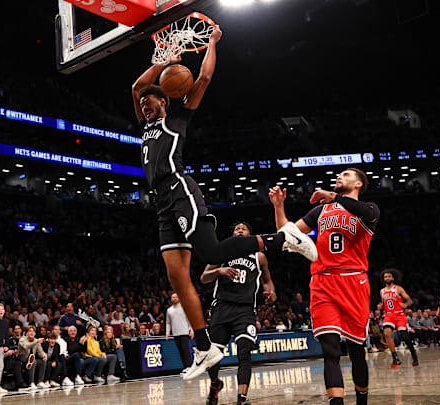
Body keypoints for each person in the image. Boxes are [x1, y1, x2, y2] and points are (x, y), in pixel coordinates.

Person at [131, 25, 317, 381]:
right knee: (176, 274)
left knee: (213, 252)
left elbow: (203, 77)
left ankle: (282, 239)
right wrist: (161, 64)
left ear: (165, 102)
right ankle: (205, 346)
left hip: (180, 190)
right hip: (161, 204)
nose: (144, 104)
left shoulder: (178, 119)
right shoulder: (144, 124)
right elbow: (137, 86)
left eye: (151, 102)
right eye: (143, 104)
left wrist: (212, 43)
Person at [269, 167, 379, 405]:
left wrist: (333, 196)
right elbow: (288, 234)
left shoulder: (367, 211)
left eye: (347, 175)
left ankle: (362, 400)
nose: (340, 177)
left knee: (357, 351)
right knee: (330, 351)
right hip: (322, 282)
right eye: (339, 175)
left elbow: (367, 211)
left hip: (354, 281)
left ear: (358, 184)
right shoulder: (321, 211)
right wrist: (279, 207)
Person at [201, 221, 276, 405]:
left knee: (244, 352)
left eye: (244, 228)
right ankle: (215, 384)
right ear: (233, 234)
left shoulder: (259, 257)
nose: (240, 230)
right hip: (222, 307)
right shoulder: (222, 252)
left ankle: (241, 399)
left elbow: (267, 281)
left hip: (245, 309)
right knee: (213, 355)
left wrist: (271, 292)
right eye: (236, 228)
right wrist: (219, 270)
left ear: (250, 234)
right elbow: (204, 278)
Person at [378, 269, 418, 367]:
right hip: (388, 315)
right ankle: (395, 358)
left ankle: (414, 355)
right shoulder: (382, 291)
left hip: (399, 314)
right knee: (387, 334)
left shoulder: (398, 289)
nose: (387, 278)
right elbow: (384, 304)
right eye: (385, 277)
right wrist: (380, 307)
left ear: (393, 278)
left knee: (404, 336)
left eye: (389, 276)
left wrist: (405, 305)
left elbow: (410, 301)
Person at [165, 293, 193, 375]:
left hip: (184, 332)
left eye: (176, 297)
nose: (174, 298)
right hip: (175, 333)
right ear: (171, 299)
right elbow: (168, 323)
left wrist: (191, 331)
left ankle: (189, 366)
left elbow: (189, 319)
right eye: (173, 297)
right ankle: (185, 367)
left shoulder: (184, 308)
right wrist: (167, 333)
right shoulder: (169, 310)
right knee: (180, 350)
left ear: (179, 298)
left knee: (185, 350)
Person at [19, 326, 48, 390]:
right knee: (33, 361)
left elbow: (40, 352)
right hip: (23, 357)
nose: (32, 333)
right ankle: (31, 382)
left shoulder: (36, 340)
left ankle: (40, 382)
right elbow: (26, 346)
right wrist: (36, 342)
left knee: (42, 361)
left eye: (33, 331)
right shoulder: (22, 339)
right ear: (26, 333)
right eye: (30, 331)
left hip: (32, 358)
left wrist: (44, 355)